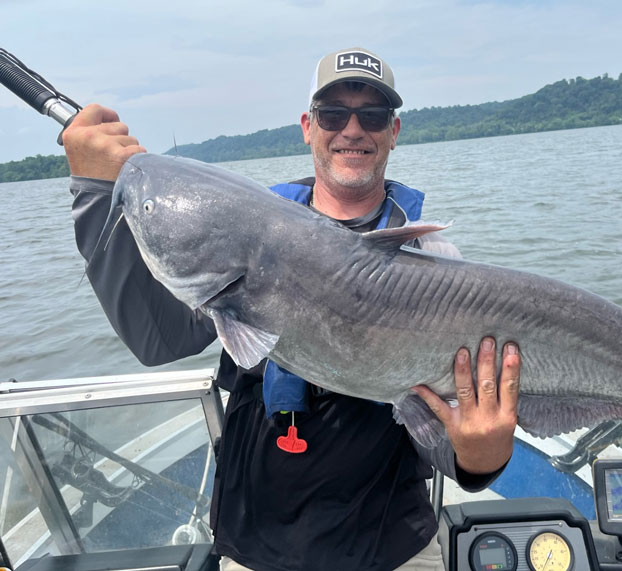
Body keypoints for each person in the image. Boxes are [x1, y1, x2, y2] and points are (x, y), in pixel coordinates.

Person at [63, 47, 521, 571]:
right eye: (333, 114)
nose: (353, 129)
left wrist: (481, 457)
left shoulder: (435, 264)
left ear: (393, 131)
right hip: (254, 545)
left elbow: (446, 437)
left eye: (371, 116)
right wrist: (97, 191)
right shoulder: (241, 236)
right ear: (308, 126)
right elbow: (157, 340)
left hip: (393, 547)